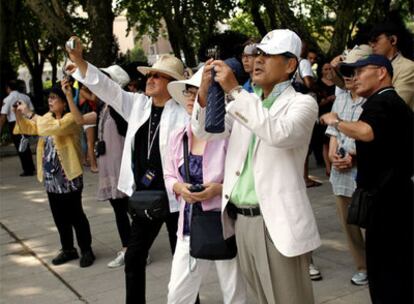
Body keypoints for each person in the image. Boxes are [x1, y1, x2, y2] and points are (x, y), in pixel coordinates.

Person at [192, 29, 321, 304]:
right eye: (257, 53)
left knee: (288, 299)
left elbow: (278, 133)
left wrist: (236, 90)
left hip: (276, 223)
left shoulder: (302, 103)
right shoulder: (248, 103)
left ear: (290, 65)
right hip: (243, 221)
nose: (258, 60)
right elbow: (208, 132)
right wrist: (205, 94)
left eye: (269, 55)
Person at [66, 36, 188, 303]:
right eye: (150, 75)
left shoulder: (184, 112)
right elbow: (107, 88)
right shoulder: (138, 104)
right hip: (145, 196)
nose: (151, 79)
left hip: (176, 198)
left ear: (174, 84)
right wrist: (80, 61)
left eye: (159, 76)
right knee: (133, 259)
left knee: (183, 265)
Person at [320, 54, 413, 303]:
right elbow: (389, 148)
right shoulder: (387, 102)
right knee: (393, 269)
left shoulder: (382, 102)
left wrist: (336, 120)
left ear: (381, 72)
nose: (354, 78)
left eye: (360, 72)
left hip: (388, 204)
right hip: (392, 200)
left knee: (387, 272)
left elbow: (367, 132)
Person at [164, 67, 246, 304]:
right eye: (188, 93)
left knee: (234, 293)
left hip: (224, 224)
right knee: (177, 295)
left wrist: (218, 190)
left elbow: (242, 176)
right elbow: (169, 175)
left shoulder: (228, 135)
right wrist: (180, 189)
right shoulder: (179, 135)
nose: (192, 98)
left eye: (198, 92)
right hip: (189, 225)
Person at [13, 83, 95, 267]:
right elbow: (28, 128)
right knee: (59, 217)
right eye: (48, 98)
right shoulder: (46, 119)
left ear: (64, 103)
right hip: (51, 179)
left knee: (76, 215)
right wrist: (19, 114)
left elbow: (54, 128)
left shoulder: (70, 119)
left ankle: (86, 249)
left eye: (53, 98)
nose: (49, 101)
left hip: (69, 177)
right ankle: (68, 249)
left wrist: (31, 114)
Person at [65, 65, 132, 269]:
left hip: (122, 169)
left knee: (131, 211)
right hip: (110, 170)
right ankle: (130, 249)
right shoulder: (104, 108)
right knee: (121, 211)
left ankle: (133, 250)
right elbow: (79, 119)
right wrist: (69, 93)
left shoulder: (121, 108)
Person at [325, 45, 372, 286]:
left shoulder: (373, 97)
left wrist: (352, 155)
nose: (349, 75)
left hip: (363, 172)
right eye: (346, 69)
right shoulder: (341, 94)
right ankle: (362, 266)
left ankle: (380, 265)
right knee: (348, 223)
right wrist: (334, 155)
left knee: (370, 221)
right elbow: (333, 129)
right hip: (340, 172)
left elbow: (372, 133)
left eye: (354, 69)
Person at [369, 22, 414, 109]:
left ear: (393, 40)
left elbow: (395, 106)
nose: (372, 45)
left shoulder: (408, 68)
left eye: (375, 40)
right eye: (370, 41)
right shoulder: (372, 67)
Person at [0, 80, 36, 176]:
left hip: (14, 123)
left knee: (20, 147)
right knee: (26, 145)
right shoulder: (26, 97)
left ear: (8, 88)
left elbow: (3, 116)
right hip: (26, 122)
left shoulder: (7, 100)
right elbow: (32, 110)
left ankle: (27, 169)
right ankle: (31, 167)